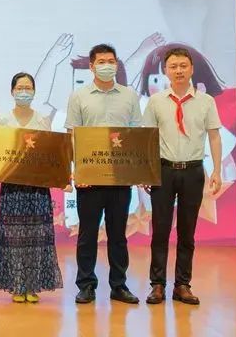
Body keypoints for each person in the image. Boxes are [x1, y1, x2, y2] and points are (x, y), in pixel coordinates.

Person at [142, 47, 223, 306]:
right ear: (166, 71)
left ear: (192, 69)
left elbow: (214, 136)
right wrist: (147, 171)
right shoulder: (156, 101)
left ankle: (182, 284)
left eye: (183, 66)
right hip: (163, 171)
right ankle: (157, 285)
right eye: (173, 66)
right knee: (160, 231)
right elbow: (147, 138)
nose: (178, 71)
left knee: (188, 232)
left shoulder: (206, 102)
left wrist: (217, 170)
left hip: (193, 171)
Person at [65, 43, 143, 305]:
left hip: (120, 177)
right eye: (101, 62)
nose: (107, 66)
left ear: (117, 64)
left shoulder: (129, 96)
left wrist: (136, 171)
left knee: (118, 235)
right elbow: (72, 136)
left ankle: (119, 285)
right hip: (89, 178)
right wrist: (77, 170)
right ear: (92, 66)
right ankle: (86, 285)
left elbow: (136, 135)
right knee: (87, 234)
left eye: (111, 61)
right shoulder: (79, 96)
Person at [0, 72, 66, 303]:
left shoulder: (42, 120)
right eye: (20, 88)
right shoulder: (3, 120)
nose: (24, 91)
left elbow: (51, 153)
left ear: (34, 92)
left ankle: (32, 285)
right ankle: (17, 285)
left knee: (36, 236)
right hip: (13, 188)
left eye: (28, 88)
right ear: (12, 91)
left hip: (37, 188)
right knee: (13, 237)